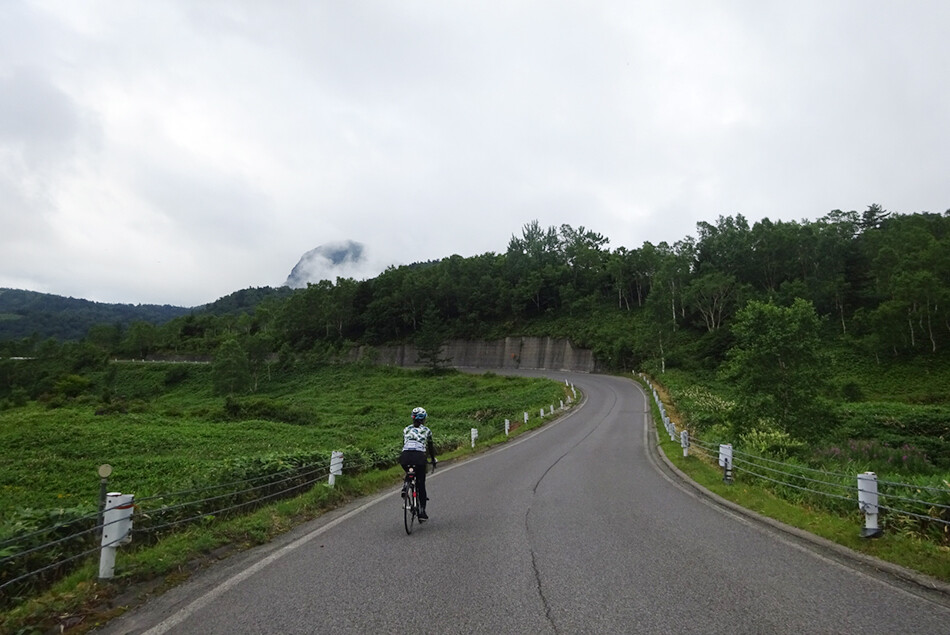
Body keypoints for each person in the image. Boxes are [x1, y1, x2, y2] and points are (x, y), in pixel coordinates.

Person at [400, 406, 437, 519]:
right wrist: (433, 460)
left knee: (409, 470)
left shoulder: (406, 429)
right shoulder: (427, 430)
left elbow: (404, 444)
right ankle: (422, 512)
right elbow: (430, 447)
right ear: (423, 419)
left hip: (405, 457)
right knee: (421, 484)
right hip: (419, 458)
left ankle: (406, 485)